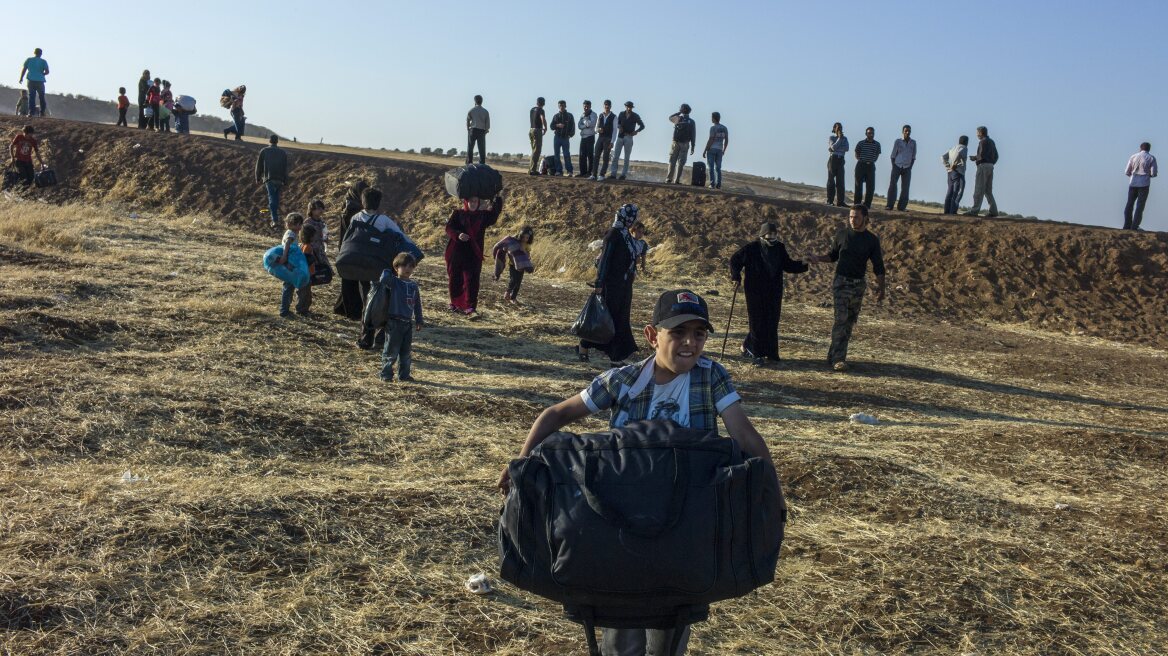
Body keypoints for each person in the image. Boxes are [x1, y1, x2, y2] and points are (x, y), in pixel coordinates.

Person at [498, 288, 775, 656]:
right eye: (678, 332)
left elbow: (744, 435)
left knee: (672, 622)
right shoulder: (624, 380)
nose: (689, 343)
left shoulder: (711, 377)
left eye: (698, 333)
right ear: (651, 335)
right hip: (620, 521)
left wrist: (772, 494)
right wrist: (521, 464)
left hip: (685, 524)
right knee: (622, 624)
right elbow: (556, 414)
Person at [808, 205, 886, 371]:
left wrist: (882, 289)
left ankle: (833, 355)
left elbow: (878, 266)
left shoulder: (871, 240)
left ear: (865, 218)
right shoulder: (842, 235)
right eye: (850, 217)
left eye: (856, 217)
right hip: (841, 283)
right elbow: (833, 256)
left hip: (858, 285)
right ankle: (838, 359)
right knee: (840, 319)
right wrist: (818, 258)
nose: (852, 220)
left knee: (849, 322)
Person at [730, 222, 809, 366]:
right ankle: (756, 354)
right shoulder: (752, 248)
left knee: (772, 321)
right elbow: (735, 260)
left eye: (774, 234)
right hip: (754, 290)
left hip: (773, 291)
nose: (772, 237)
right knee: (757, 321)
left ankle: (771, 353)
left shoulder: (779, 248)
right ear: (762, 235)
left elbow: (788, 265)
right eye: (769, 234)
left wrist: (803, 263)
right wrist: (736, 277)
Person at [579, 204, 641, 365]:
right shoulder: (613, 234)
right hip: (611, 285)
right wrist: (599, 282)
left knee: (619, 319)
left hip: (624, 285)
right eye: (631, 217)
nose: (633, 221)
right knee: (606, 319)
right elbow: (605, 260)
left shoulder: (625, 234)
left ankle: (615, 356)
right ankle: (585, 346)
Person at [445, 192, 504, 317]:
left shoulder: (483, 216)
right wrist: (458, 234)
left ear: (478, 203)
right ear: (466, 202)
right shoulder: (458, 214)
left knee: (472, 280)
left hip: (473, 253)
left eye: (475, 201)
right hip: (457, 250)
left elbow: (494, 215)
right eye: (471, 201)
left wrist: (496, 198)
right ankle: (455, 303)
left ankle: (470, 307)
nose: (473, 204)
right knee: (455, 278)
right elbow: (449, 228)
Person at [379, 252, 424, 382]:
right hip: (394, 322)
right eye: (404, 266)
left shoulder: (413, 286)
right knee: (391, 352)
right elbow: (383, 278)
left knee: (405, 352)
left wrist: (419, 320)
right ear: (396, 268)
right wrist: (388, 266)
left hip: (407, 323)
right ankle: (386, 374)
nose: (407, 269)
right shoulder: (394, 282)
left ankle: (404, 375)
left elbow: (417, 304)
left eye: (411, 266)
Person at [333, 180, 369, 320]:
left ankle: (342, 308)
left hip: (346, 246)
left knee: (349, 279)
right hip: (350, 247)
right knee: (350, 281)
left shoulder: (349, 204)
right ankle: (352, 311)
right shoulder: (353, 208)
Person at [493, 227, 535, 304]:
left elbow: (528, 256)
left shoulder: (527, 245)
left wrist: (524, 251)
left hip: (522, 266)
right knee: (513, 280)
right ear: (520, 235)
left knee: (518, 282)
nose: (525, 239)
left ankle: (513, 298)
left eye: (527, 238)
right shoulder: (514, 242)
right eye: (523, 237)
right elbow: (507, 249)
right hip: (512, 265)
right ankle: (507, 292)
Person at [256, 134, 290, 230]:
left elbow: (259, 166)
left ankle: (274, 220)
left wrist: (257, 177)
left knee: (272, 199)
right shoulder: (283, 152)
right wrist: (286, 181)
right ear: (277, 141)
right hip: (279, 179)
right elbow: (285, 168)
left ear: (270, 141)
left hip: (269, 178)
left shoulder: (264, 151)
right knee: (275, 198)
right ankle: (275, 217)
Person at [276, 213, 307, 318]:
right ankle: (284, 311)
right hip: (289, 263)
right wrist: (284, 257)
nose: (300, 227)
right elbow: (287, 245)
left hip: (291, 262)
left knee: (290, 286)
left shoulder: (292, 233)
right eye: (298, 225)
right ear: (290, 224)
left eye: (300, 224)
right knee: (288, 287)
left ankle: (286, 309)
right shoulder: (290, 234)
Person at [965, 126, 998, 217]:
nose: (976, 135)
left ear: (980, 133)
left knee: (979, 189)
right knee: (988, 190)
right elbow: (996, 156)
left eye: (977, 133)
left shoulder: (982, 142)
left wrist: (975, 158)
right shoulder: (991, 141)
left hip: (983, 166)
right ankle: (993, 211)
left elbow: (981, 155)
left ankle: (974, 210)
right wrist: (991, 163)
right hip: (990, 166)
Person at [1123, 142, 1157, 231]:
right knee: (1140, 206)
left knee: (1129, 204)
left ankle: (1127, 225)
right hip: (1144, 184)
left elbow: (1127, 171)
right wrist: (1148, 174)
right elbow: (1154, 173)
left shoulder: (1133, 156)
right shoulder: (1151, 158)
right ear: (1149, 149)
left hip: (1133, 182)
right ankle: (1134, 226)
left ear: (1140, 148)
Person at [610, 101, 644, 180]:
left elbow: (642, 126)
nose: (629, 108)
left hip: (629, 137)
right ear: (625, 107)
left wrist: (636, 131)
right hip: (620, 137)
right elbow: (617, 123)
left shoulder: (635, 116)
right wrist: (619, 127)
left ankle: (623, 175)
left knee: (626, 157)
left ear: (632, 107)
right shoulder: (621, 114)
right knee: (615, 156)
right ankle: (613, 174)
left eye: (630, 107)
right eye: (628, 107)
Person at [885, 125, 916, 211]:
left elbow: (913, 157)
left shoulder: (913, 143)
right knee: (892, 185)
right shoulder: (898, 141)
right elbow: (893, 155)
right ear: (902, 132)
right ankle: (889, 205)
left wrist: (910, 167)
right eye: (906, 131)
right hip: (897, 165)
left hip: (907, 167)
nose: (907, 132)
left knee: (905, 187)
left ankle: (902, 207)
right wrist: (894, 165)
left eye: (909, 131)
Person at [666, 104, 696, 184]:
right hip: (685, 143)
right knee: (681, 162)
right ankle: (677, 180)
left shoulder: (678, 118)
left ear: (682, 110)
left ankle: (669, 179)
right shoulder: (692, 122)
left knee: (672, 161)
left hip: (675, 142)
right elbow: (693, 134)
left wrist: (679, 112)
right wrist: (693, 146)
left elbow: (670, 118)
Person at [853, 127, 881, 209]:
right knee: (858, 186)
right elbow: (856, 153)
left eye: (872, 133)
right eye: (869, 133)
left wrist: (872, 160)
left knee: (871, 187)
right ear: (866, 134)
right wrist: (861, 160)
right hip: (861, 165)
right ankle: (857, 204)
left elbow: (877, 154)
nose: (871, 135)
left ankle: (867, 205)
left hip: (871, 166)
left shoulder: (877, 144)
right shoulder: (861, 143)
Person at [296, 223, 320, 316]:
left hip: (304, 274)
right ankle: (301, 310)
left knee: (306, 293)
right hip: (306, 273)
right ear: (310, 236)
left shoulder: (301, 245)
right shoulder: (308, 247)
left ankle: (305, 309)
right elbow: (307, 260)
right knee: (304, 293)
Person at [19, 48, 49, 117]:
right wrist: (42, 74)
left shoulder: (29, 60)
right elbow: (47, 72)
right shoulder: (43, 61)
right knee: (41, 97)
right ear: (41, 54)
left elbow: (24, 69)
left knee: (31, 96)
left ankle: (31, 113)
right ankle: (42, 113)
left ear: (34, 52)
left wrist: (21, 78)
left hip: (31, 80)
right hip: (40, 81)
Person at [942, 136, 969, 215]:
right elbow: (959, 153)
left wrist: (948, 167)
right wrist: (954, 164)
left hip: (950, 172)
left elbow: (943, 157)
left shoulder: (953, 148)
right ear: (966, 142)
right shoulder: (964, 148)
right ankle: (953, 211)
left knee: (950, 192)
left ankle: (946, 210)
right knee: (958, 192)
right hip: (958, 172)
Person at [702, 112, 729, 189]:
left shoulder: (713, 128)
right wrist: (724, 150)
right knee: (718, 168)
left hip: (712, 149)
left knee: (711, 167)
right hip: (720, 150)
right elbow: (726, 140)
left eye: (711, 117)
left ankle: (712, 184)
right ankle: (719, 184)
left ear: (714, 118)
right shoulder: (724, 128)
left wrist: (705, 150)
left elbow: (711, 139)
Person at [593, 100, 616, 181]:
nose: (607, 106)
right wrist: (599, 130)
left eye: (608, 105)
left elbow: (614, 130)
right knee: (596, 156)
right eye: (605, 105)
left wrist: (612, 142)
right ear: (603, 106)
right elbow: (595, 128)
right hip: (600, 137)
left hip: (608, 139)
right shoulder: (600, 115)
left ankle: (602, 175)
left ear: (610, 106)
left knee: (605, 157)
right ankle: (593, 175)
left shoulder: (614, 116)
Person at [551, 100, 575, 177]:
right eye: (560, 105)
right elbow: (551, 126)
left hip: (565, 138)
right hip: (557, 137)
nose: (561, 107)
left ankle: (569, 171)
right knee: (556, 155)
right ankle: (559, 171)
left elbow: (573, 127)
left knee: (566, 154)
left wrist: (570, 135)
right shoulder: (556, 116)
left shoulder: (569, 116)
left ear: (565, 106)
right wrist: (557, 125)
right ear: (558, 106)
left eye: (563, 105)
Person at [826, 122, 848, 206]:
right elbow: (833, 147)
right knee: (831, 181)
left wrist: (836, 147)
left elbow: (846, 148)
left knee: (841, 181)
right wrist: (839, 139)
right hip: (833, 159)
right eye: (838, 128)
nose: (840, 129)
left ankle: (840, 202)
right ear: (834, 129)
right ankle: (830, 201)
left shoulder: (845, 138)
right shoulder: (831, 137)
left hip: (841, 160)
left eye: (841, 128)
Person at [466, 94, 490, 165]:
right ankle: (482, 163)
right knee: (482, 148)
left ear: (475, 101)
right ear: (482, 101)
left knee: (470, 147)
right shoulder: (485, 111)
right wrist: (485, 131)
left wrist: (468, 128)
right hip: (481, 131)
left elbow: (467, 120)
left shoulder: (472, 110)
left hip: (473, 130)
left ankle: (469, 162)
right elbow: (487, 124)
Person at [528, 97, 547, 175]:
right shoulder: (541, 110)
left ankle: (531, 169)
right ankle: (533, 170)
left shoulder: (532, 109)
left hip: (531, 130)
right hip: (537, 130)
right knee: (537, 151)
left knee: (533, 150)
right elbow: (542, 118)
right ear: (543, 103)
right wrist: (545, 127)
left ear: (537, 102)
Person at [577, 100, 596, 178]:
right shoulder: (582, 114)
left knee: (590, 155)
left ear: (590, 106)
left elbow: (590, 124)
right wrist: (585, 125)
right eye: (584, 106)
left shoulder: (593, 114)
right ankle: (583, 172)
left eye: (587, 106)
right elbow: (579, 125)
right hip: (583, 137)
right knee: (582, 155)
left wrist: (584, 122)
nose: (586, 108)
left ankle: (590, 172)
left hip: (590, 137)